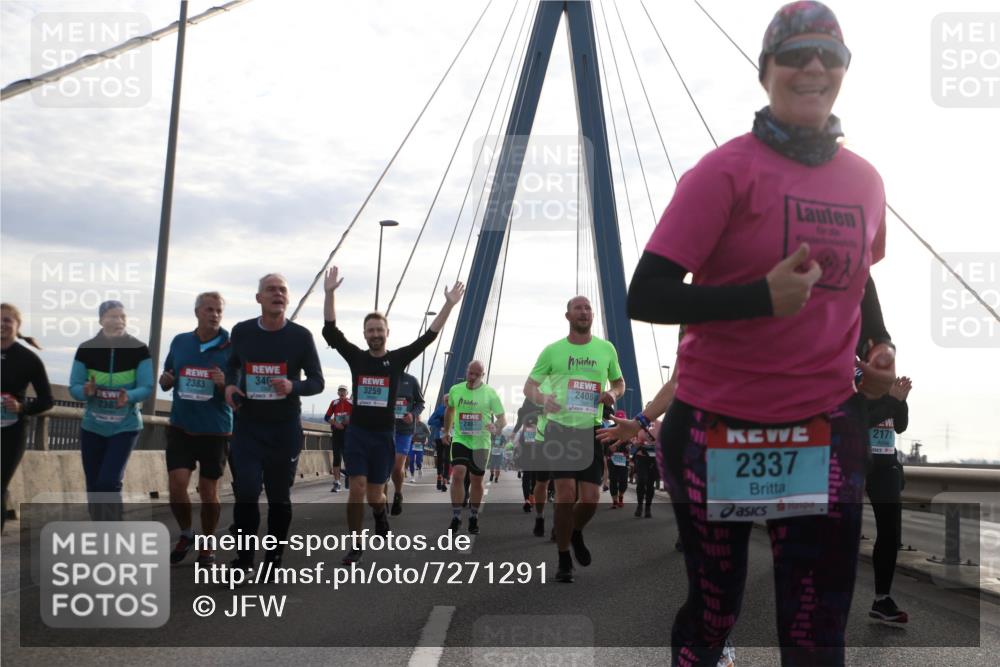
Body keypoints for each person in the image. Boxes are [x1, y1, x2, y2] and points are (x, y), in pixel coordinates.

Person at [626, 2, 895, 662]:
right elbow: (646, 293)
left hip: (824, 427)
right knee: (715, 610)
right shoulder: (723, 172)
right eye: (796, 54)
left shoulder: (865, 181)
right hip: (718, 427)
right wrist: (759, 298)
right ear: (766, 70)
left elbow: (858, 275)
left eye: (830, 56)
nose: (814, 67)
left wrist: (879, 343)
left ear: (844, 71)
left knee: (815, 628)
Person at [323, 266, 464, 564]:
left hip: (384, 436)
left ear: (387, 333)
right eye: (370, 330)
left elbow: (429, 337)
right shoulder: (357, 358)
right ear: (365, 334)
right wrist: (330, 293)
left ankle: (380, 514)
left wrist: (449, 305)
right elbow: (331, 331)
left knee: (376, 495)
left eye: (379, 330)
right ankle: (355, 544)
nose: (375, 334)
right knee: (356, 489)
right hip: (358, 435)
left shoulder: (397, 359)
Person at [224, 274, 324, 573]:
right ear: (259, 298)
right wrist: (230, 386)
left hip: (284, 429)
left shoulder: (301, 336)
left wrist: (294, 386)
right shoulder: (242, 331)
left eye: (282, 290)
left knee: (279, 497)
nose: (277, 294)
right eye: (271, 289)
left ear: (288, 299)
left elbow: (317, 381)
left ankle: (274, 556)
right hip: (248, 427)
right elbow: (232, 365)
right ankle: (244, 560)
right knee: (246, 492)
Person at [523, 296, 625, 583]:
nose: (584, 312)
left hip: (590, 430)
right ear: (567, 316)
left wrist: (612, 394)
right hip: (559, 429)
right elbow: (529, 386)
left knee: (590, 500)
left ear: (592, 315)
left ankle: (575, 531)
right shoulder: (552, 351)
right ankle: (564, 558)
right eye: (578, 308)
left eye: (588, 308)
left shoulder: (606, 349)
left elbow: (619, 382)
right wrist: (543, 399)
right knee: (566, 495)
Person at [159, 292, 232, 565]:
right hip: (181, 425)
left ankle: (208, 543)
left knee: (208, 492)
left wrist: (224, 383)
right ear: (197, 312)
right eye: (209, 309)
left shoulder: (231, 346)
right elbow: (168, 376)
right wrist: (166, 380)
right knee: (177, 486)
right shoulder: (180, 342)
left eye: (218, 311)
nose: (214, 315)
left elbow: (239, 390)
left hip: (215, 429)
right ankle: (187, 533)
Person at [68, 300, 153, 521]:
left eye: (122, 317)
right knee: (94, 485)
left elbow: (147, 387)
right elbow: (74, 386)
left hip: (125, 426)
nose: (119, 321)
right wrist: (85, 390)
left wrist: (129, 396)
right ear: (101, 320)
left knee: (108, 482)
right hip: (93, 427)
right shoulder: (86, 349)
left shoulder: (139, 349)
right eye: (113, 317)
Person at [1, 304, 53, 529]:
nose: (2, 324)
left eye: (7, 320)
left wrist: (21, 407)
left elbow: (47, 400)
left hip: (12, 432)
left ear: (17, 325)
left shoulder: (28, 359)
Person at [865, 374, 911, 623]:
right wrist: (892, 400)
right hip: (852, 461)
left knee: (890, 534)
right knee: (837, 533)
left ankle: (882, 600)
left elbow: (900, 426)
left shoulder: (889, 385)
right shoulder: (854, 378)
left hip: (885, 466)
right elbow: (861, 419)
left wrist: (901, 401)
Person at [443, 360, 505, 535]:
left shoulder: (490, 393)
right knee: (458, 474)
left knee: (476, 480)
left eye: (477, 375)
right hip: (461, 438)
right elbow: (450, 410)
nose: (473, 377)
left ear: (482, 375)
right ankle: (456, 517)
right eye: (471, 373)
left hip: (481, 442)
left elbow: (502, 419)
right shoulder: (456, 390)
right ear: (466, 371)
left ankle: (473, 516)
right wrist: (446, 431)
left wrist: (496, 426)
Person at [389, 371, 424, 514]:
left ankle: (398, 494)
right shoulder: (383, 377)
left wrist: (412, 414)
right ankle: (381, 501)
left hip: (404, 430)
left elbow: (420, 403)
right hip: (384, 428)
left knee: (397, 467)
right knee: (384, 467)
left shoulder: (411, 380)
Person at [325, 384, 352, 492]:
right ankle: (336, 483)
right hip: (337, 432)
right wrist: (335, 423)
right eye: (340, 391)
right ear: (338, 393)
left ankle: (349, 478)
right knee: (336, 458)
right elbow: (326, 417)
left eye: (343, 391)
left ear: (347, 393)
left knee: (347, 458)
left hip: (348, 433)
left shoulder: (351, 403)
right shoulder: (334, 403)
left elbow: (359, 417)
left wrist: (349, 421)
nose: (342, 393)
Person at [428, 396, 449, 492]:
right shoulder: (439, 409)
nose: (448, 401)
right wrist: (440, 420)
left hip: (450, 436)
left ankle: (445, 480)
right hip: (439, 437)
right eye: (446, 400)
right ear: (443, 401)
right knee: (440, 458)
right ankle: (439, 479)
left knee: (447, 458)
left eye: (449, 400)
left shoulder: (454, 409)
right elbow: (430, 421)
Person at [409, 414, 430, 479]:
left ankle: (420, 468)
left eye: (418, 418)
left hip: (420, 444)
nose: (416, 419)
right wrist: (412, 436)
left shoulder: (423, 425)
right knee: (411, 460)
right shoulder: (411, 424)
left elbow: (428, 433)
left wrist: (420, 436)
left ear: (420, 418)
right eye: (415, 418)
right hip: (412, 444)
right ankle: (412, 476)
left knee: (418, 461)